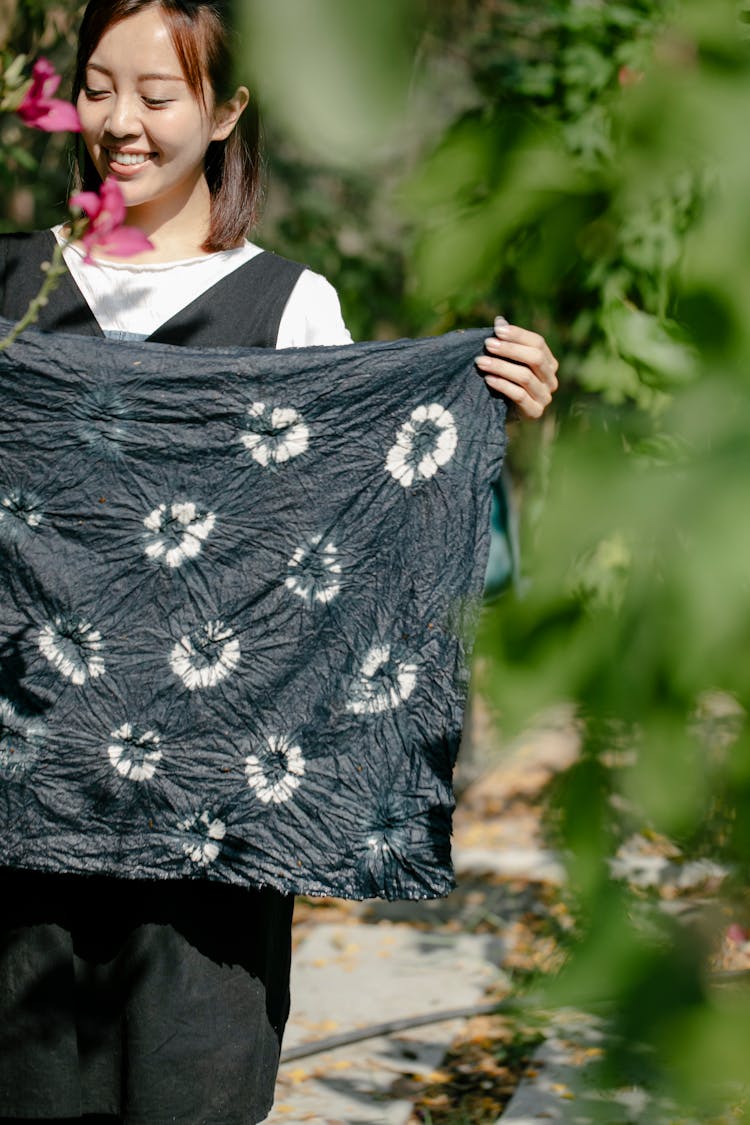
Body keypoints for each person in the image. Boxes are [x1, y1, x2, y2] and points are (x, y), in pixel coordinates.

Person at [0, 2, 559, 1122]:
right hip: (22, 830)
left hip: (216, 846)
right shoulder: (13, 289)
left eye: (158, 96)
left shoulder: (290, 305)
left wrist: (497, 413)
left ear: (224, 111)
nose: (121, 122)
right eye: (99, 87)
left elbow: (366, 532)